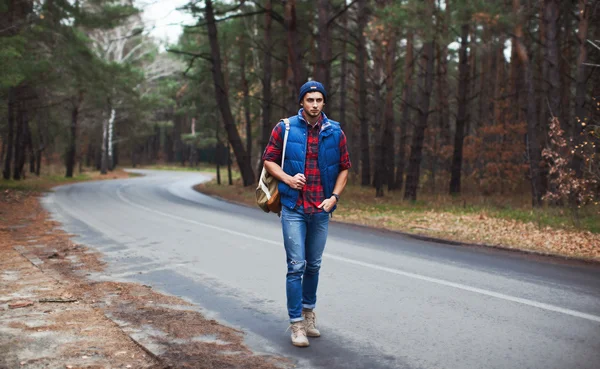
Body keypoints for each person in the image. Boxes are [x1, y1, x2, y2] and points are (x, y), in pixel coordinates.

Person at [262, 81, 351, 347]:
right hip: (293, 207)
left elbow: (345, 168)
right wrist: (288, 179)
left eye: (318, 100)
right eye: (309, 100)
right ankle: (296, 325)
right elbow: (268, 159)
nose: (314, 104)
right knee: (296, 266)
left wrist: (334, 197)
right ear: (302, 102)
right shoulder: (285, 127)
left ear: (324, 102)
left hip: (321, 209)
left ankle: (309, 313)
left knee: (314, 265)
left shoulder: (335, 132)